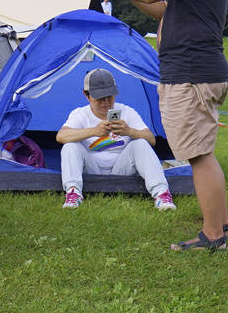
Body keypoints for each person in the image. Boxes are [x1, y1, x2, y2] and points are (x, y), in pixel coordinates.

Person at [73, 0, 228, 251]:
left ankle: (213, 236)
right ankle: (222, 226)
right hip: (197, 70)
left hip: (191, 74)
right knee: (202, 151)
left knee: (197, 156)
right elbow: (158, 7)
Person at [56, 68, 176, 211]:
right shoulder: (80, 114)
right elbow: (61, 136)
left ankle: (161, 194)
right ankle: (73, 192)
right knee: (70, 146)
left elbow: (151, 139)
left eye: (110, 97)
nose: (106, 103)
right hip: (91, 167)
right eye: (100, 98)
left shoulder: (127, 111)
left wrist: (129, 131)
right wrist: (94, 131)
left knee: (140, 143)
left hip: (121, 168)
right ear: (86, 96)